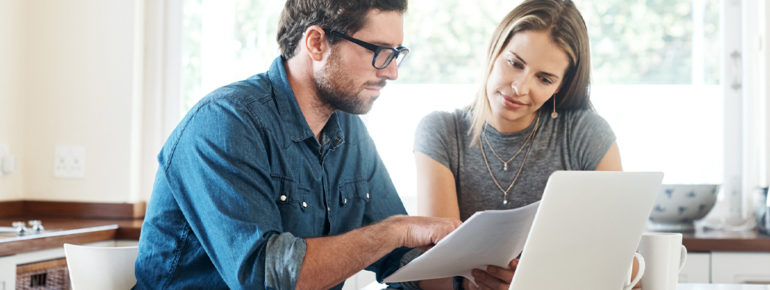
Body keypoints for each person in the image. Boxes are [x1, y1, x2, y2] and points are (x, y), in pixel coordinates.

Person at [134, 1, 462, 289]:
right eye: (377, 51)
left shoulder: (350, 133)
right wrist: (396, 231)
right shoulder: (224, 122)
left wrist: (469, 275)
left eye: (397, 54)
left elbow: (399, 259)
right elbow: (263, 277)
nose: (391, 72)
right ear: (316, 43)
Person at [414, 0, 623, 288]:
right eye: (514, 63)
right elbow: (435, 279)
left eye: (544, 78)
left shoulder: (585, 134)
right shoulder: (441, 132)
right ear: (494, 49)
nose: (520, 88)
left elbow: (623, 259)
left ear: (559, 87)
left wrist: (539, 282)